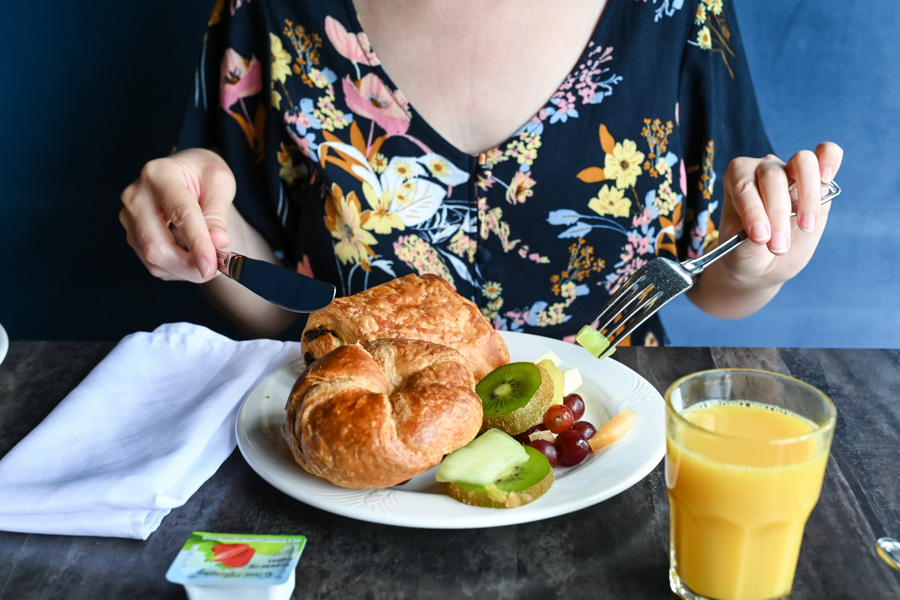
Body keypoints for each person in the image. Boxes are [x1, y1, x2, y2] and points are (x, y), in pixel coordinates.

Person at [119, 0, 843, 345]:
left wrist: (759, 262)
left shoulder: (677, 6)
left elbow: (717, 282)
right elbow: (283, 303)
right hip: (348, 471)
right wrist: (201, 243)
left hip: (606, 457)